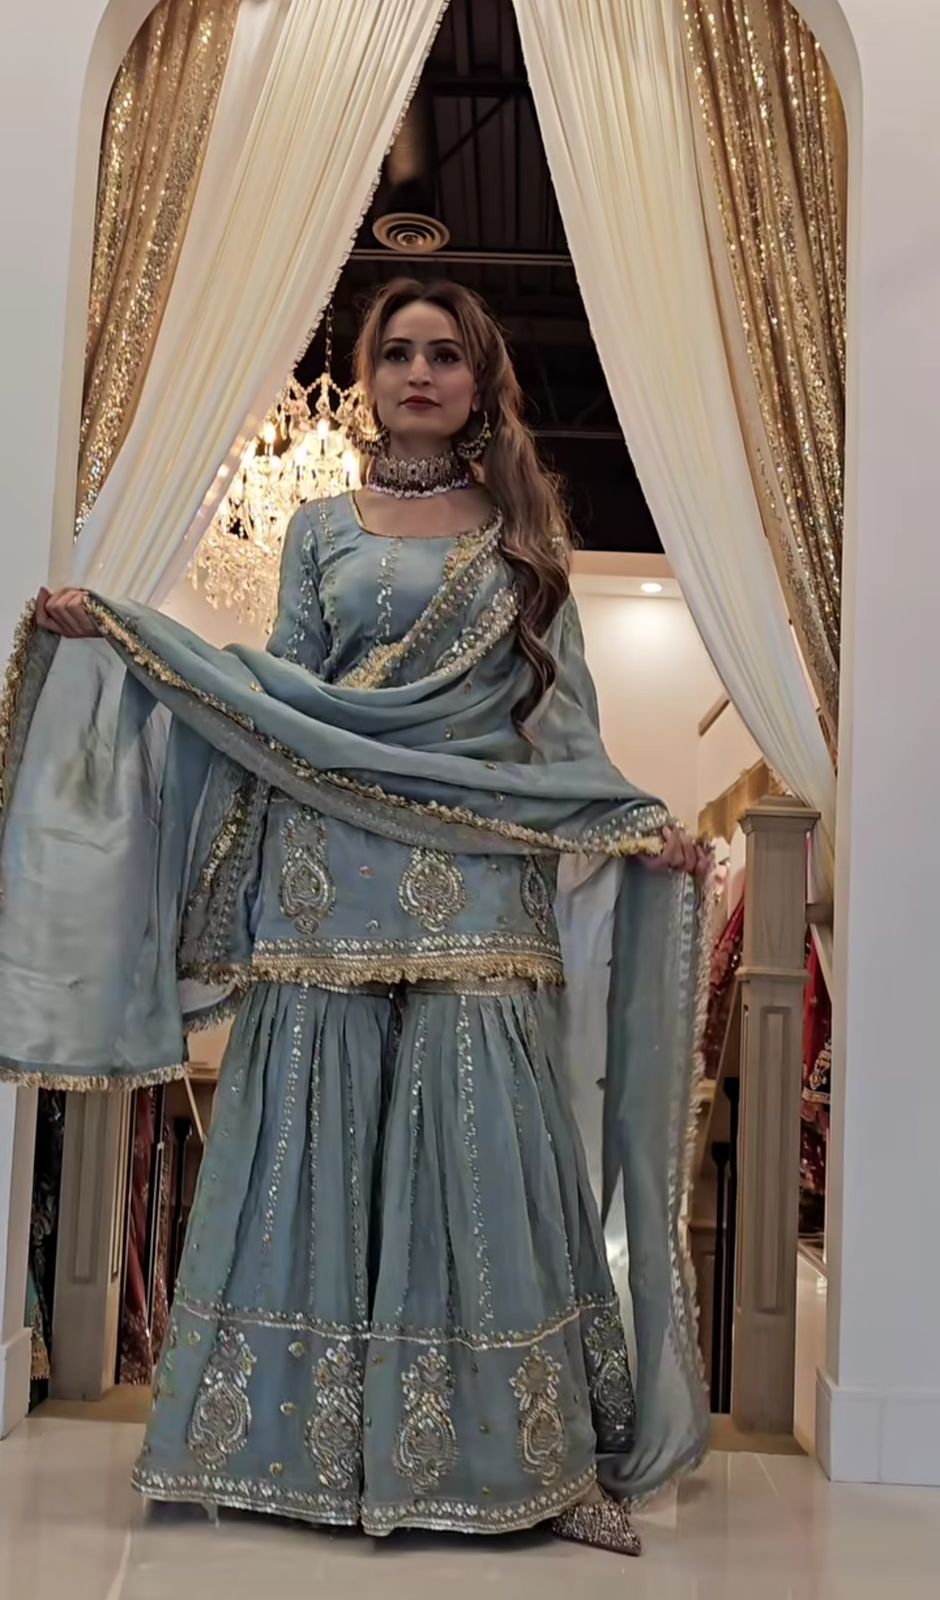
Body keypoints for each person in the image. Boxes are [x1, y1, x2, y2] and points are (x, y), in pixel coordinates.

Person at [0, 280, 710, 1556]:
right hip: (326, 863)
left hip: (477, 871)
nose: (417, 373)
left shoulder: (523, 540)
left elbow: (559, 727)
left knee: (481, 1145)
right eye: (395, 353)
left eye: (444, 354)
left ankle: (528, 1459)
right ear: (370, 377)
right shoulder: (319, 527)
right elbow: (283, 691)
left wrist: (631, 817)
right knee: (309, 1134)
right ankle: (288, 1451)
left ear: (480, 382)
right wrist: (128, 637)